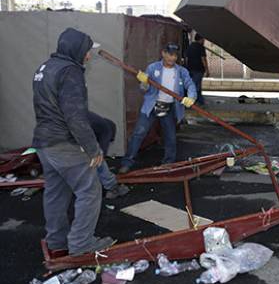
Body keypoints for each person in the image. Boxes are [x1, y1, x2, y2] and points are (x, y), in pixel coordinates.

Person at [32, 27, 114, 256]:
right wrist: (93, 148)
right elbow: (75, 116)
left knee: (56, 193)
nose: (88, 55)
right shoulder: (70, 72)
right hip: (62, 143)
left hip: (43, 143)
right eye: (87, 50)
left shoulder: (44, 68)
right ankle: (81, 244)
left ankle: (57, 241)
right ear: (77, 50)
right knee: (90, 189)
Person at [118, 43, 197, 173]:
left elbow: (190, 85)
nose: (172, 58)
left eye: (175, 55)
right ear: (163, 53)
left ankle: (168, 163)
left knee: (170, 136)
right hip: (151, 106)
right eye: (170, 54)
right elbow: (145, 89)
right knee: (138, 134)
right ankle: (127, 163)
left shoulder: (181, 71)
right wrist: (143, 82)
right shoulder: (153, 68)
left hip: (169, 108)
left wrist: (191, 97)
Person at [88, 112, 129, 199]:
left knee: (95, 158)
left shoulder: (96, 122)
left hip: (67, 132)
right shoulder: (105, 130)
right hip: (79, 130)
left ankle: (110, 186)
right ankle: (112, 186)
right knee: (99, 159)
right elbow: (101, 154)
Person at [185, 33, 209, 106]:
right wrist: (207, 70)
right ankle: (196, 102)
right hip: (198, 69)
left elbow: (186, 58)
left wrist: (187, 68)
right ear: (201, 39)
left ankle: (198, 101)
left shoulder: (190, 46)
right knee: (197, 86)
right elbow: (203, 59)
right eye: (203, 39)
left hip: (190, 69)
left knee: (192, 85)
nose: (204, 41)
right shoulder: (201, 47)